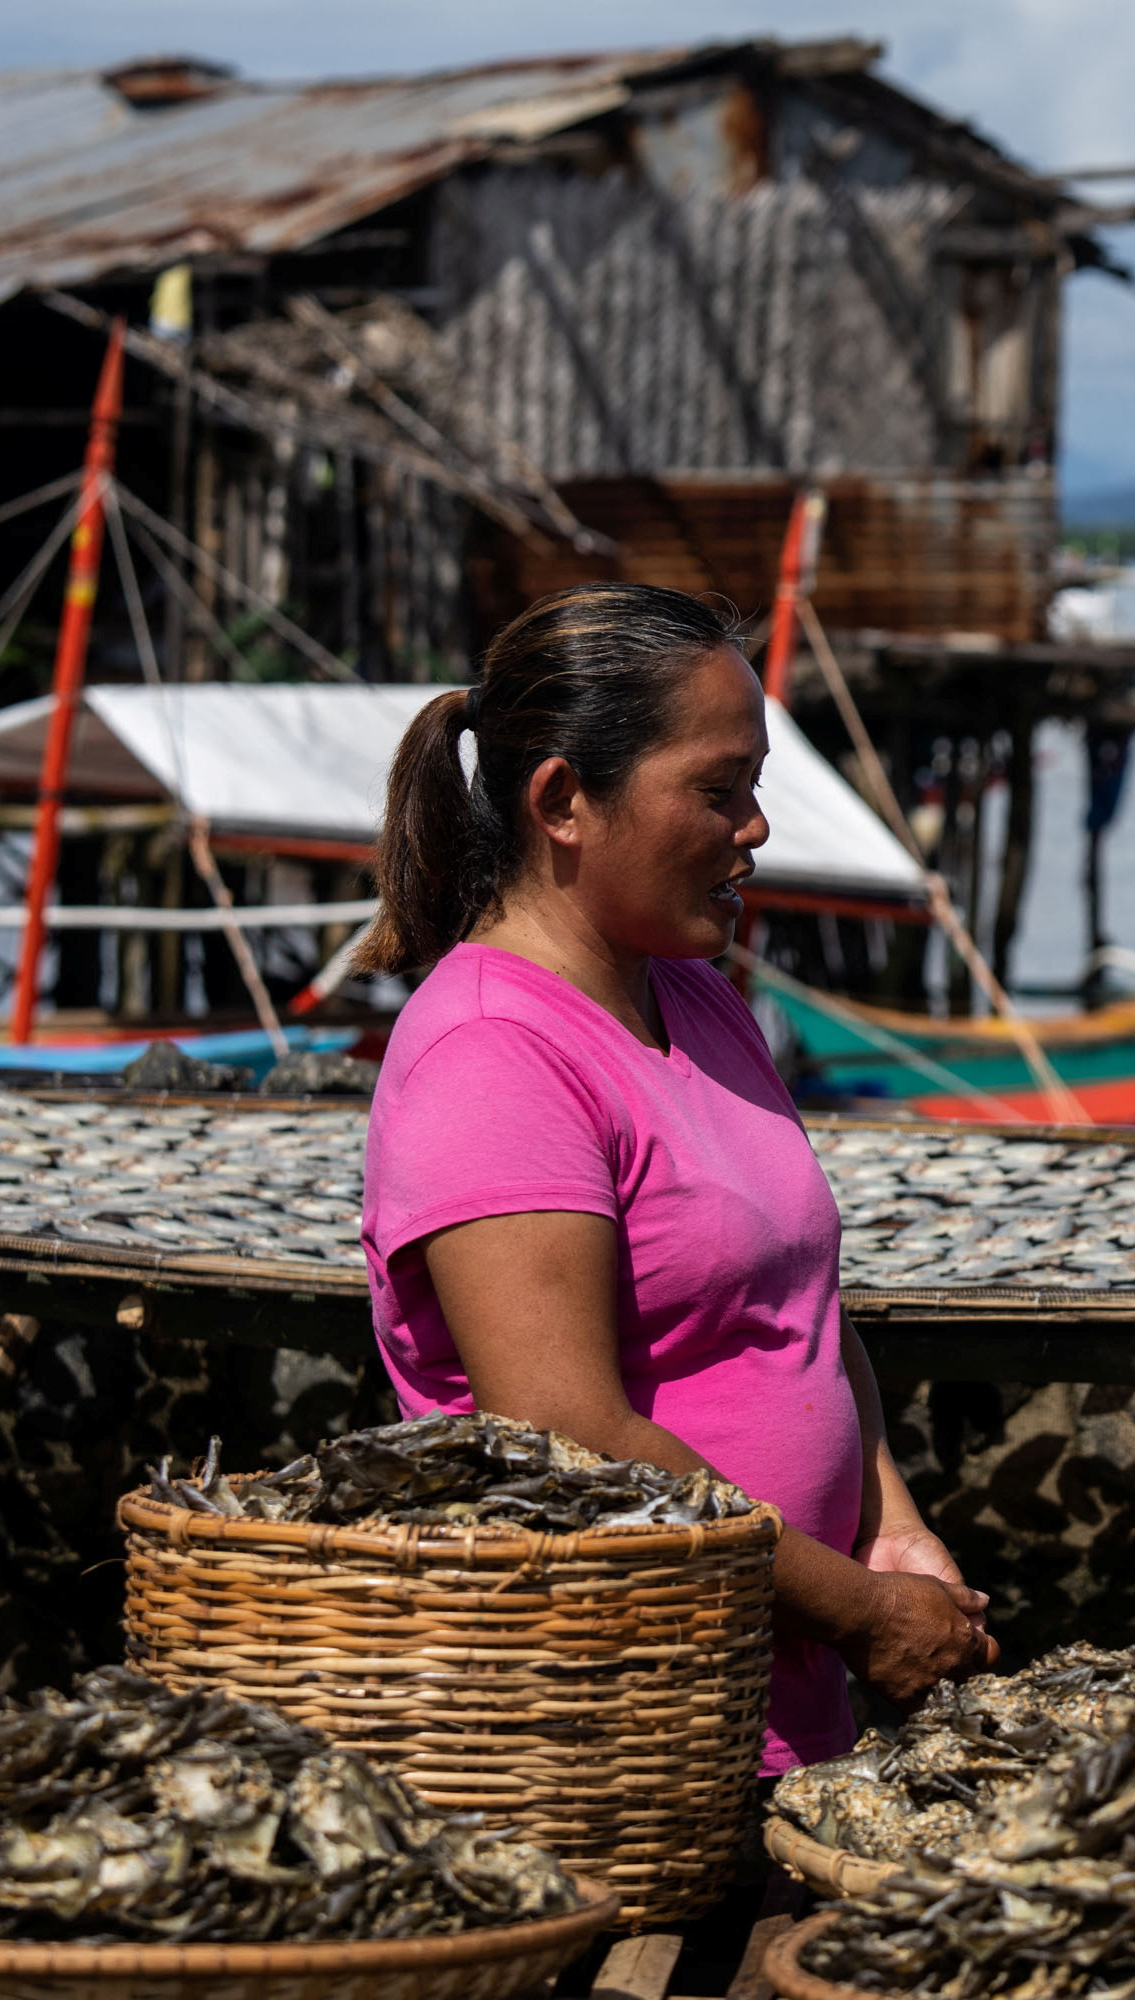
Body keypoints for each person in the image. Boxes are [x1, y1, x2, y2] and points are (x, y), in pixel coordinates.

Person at [353, 582, 994, 1782]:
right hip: (621, 1736)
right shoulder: (491, 1053)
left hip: (779, 1712)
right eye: (719, 790)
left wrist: (890, 1528)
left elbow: (801, 1307)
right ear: (563, 801)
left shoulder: (694, 994)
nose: (755, 829)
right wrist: (854, 1611)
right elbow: (564, 1433)